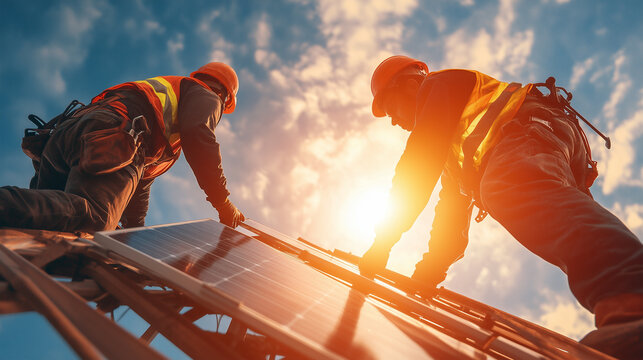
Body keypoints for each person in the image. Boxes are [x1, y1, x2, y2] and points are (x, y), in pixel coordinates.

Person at [359, 55, 643, 359]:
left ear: (410, 82)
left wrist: (382, 242)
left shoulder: (437, 85)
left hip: (528, 130)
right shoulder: (455, 158)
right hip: (547, 142)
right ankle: (621, 312)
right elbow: (449, 225)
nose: (392, 120)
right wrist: (426, 276)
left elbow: (417, 166)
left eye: (390, 106)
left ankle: (631, 296)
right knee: (559, 218)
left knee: (508, 187)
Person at [0, 62, 245, 232]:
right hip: (111, 138)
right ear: (225, 97)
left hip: (70, 134)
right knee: (94, 218)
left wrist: (134, 230)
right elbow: (199, 135)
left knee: (46, 225)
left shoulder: (167, 104)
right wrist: (222, 202)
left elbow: (141, 181)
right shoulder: (207, 95)